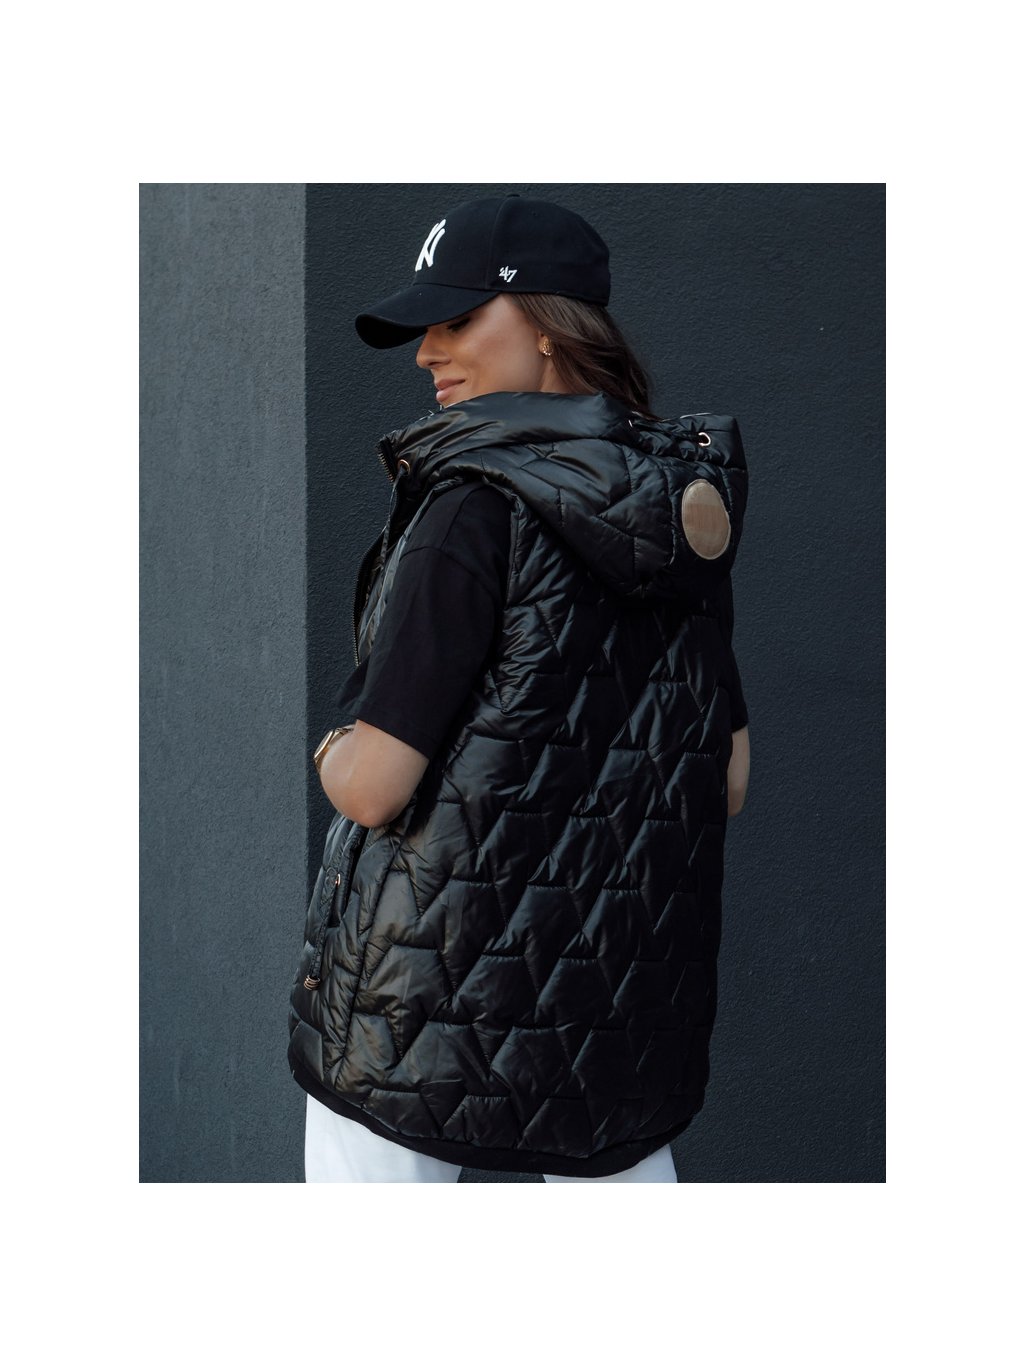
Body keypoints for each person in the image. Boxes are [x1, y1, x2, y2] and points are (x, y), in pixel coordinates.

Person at [288, 193, 751, 1182]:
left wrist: (328, 749)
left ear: (546, 325)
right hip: (616, 1013)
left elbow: (372, 786)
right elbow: (727, 778)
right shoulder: (682, 512)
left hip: (418, 1005)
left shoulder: (471, 504)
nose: (428, 352)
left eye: (457, 319)